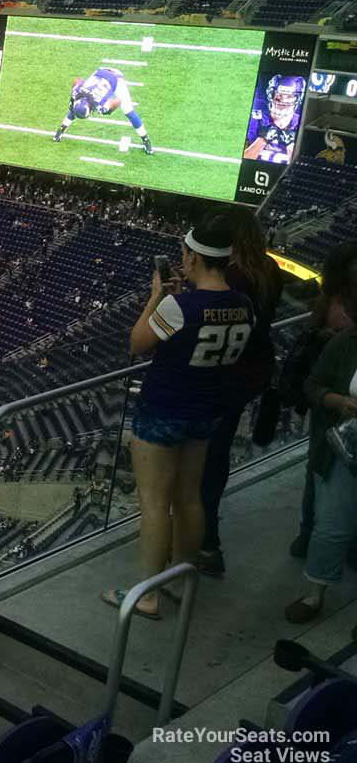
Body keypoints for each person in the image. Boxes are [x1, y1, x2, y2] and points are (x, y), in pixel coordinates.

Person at [103, 218, 254, 620]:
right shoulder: (243, 304)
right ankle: (178, 582)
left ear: (193, 257)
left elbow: (137, 344)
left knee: (154, 502)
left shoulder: (179, 305)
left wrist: (155, 296)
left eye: (185, 254)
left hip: (164, 410)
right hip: (207, 412)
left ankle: (147, 595)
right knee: (189, 497)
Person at [197, 208, 284, 577]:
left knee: (204, 461)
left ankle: (204, 542)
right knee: (215, 459)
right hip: (248, 377)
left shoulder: (234, 277)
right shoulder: (269, 270)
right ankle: (203, 537)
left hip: (222, 377)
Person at [284, 325, 357, 623]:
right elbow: (313, 385)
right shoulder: (346, 341)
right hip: (345, 450)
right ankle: (315, 595)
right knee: (331, 525)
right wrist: (339, 401)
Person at [291, 242, 357, 559]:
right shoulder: (331, 302)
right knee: (319, 468)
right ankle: (310, 532)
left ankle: (324, 535)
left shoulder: (331, 299)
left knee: (327, 472)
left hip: (335, 400)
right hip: (329, 401)